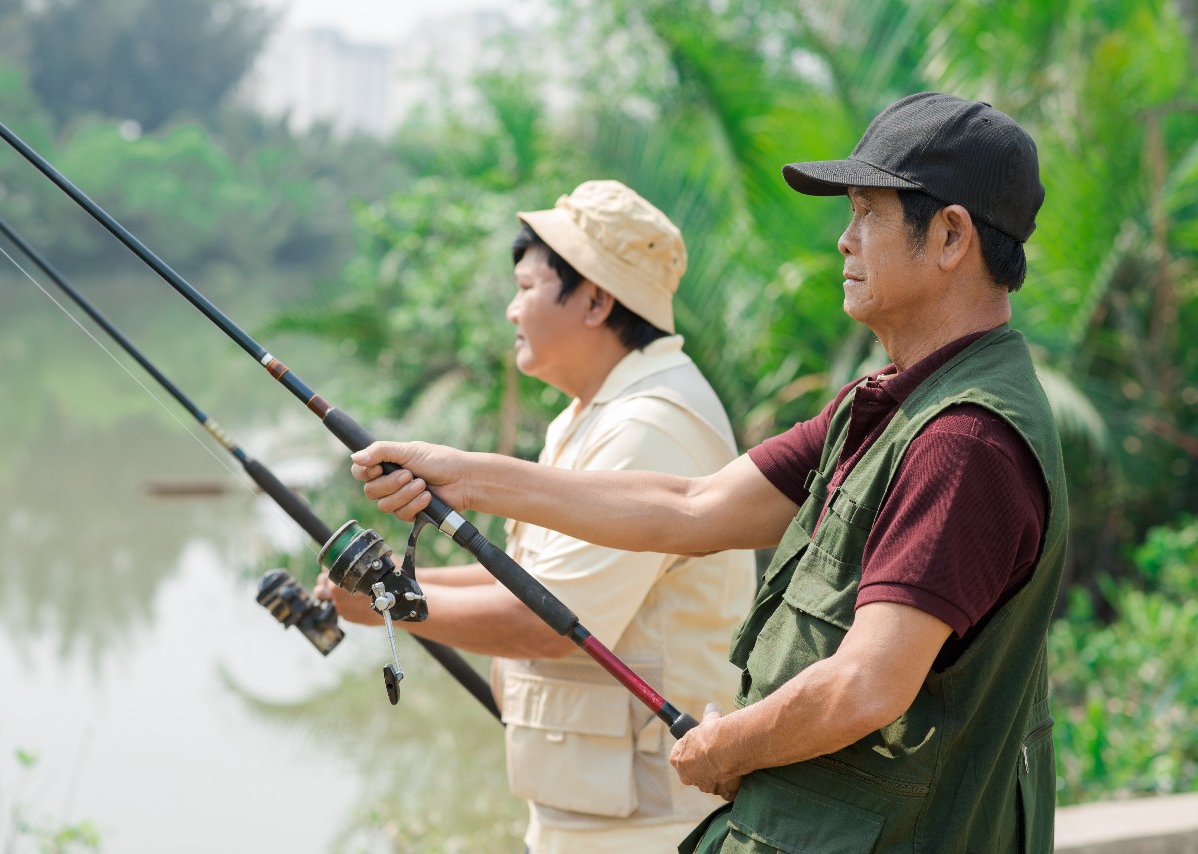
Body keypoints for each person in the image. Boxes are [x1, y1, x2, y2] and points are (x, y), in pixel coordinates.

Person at [348, 92, 1069, 853]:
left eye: (866, 213)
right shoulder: (889, 404)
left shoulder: (963, 441)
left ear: (950, 236)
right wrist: (464, 478)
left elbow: (866, 683)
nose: (844, 242)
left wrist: (731, 747)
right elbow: (692, 505)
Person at [317, 180, 756, 852]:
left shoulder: (650, 426)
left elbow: (548, 623)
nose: (511, 309)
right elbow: (528, 580)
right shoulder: (589, 415)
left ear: (597, 300)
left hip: (650, 826)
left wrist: (390, 603)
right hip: (596, 812)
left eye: (526, 287)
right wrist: (385, 589)